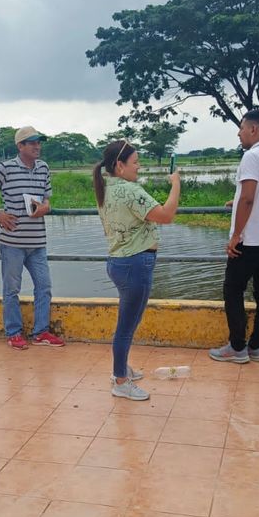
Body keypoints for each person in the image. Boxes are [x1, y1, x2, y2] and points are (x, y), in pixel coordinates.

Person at [94, 139, 181, 401]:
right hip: (134, 264)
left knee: (126, 323)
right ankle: (120, 380)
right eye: (135, 162)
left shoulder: (106, 187)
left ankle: (122, 369)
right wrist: (176, 184)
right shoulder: (131, 191)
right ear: (119, 166)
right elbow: (166, 215)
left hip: (119, 262)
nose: (138, 167)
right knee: (126, 326)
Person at [0, 126, 65, 350]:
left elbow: (47, 199)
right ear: (20, 146)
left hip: (37, 241)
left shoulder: (43, 168)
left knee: (44, 286)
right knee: (12, 289)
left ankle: (41, 332)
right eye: (32, 143)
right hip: (12, 241)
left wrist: (45, 208)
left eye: (38, 142)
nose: (37, 146)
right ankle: (13, 333)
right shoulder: (5, 168)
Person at [210, 109, 259, 364]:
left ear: (254, 129)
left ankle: (237, 347)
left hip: (252, 240)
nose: (239, 133)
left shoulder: (251, 156)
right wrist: (235, 201)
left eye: (242, 128)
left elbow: (248, 198)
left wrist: (236, 235)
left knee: (232, 289)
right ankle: (257, 346)